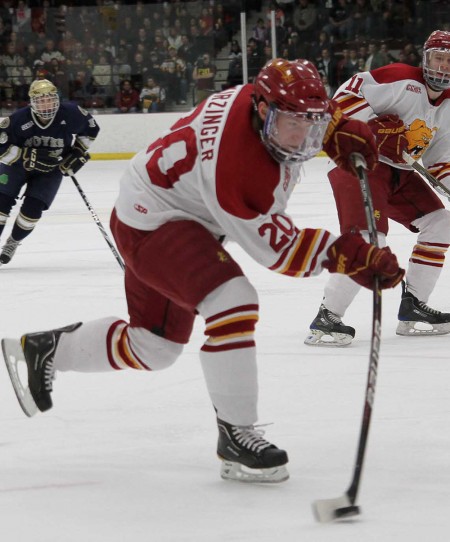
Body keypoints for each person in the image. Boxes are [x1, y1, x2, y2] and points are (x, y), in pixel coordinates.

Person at [1, 59, 403, 483]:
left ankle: (47, 350)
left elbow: (305, 107)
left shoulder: (258, 98)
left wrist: (336, 126)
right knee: (234, 300)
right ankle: (236, 434)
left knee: (153, 347)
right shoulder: (240, 167)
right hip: (156, 224)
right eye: (294, 124)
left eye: (313, 123)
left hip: (156, 206)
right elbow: (280, 251)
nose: (304, 137)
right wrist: (349, 254)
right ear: (265, 112)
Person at [304, 30, 450, 347]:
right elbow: (339, 105)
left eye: (449, 60)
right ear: (426, 58)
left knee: (441, 224)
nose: (443, 66)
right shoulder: (397, 78)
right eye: (439, 58)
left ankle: (413, 308)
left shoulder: (449, 104)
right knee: (371, 238)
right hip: (357, 162)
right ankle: (328, 316)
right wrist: (368, 130)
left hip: (397, 171)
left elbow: (441, 160)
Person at [0, 79, 99, 266]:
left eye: (50, 99)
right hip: (16, 167)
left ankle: (13, 242)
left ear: (57, 100)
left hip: (50, 169)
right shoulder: (18, 120)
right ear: (32, 102)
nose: (46, 104)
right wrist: (25, 156)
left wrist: (77, 152)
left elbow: (92, 129)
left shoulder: (71, 113)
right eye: (41, 100)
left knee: (32, 212)